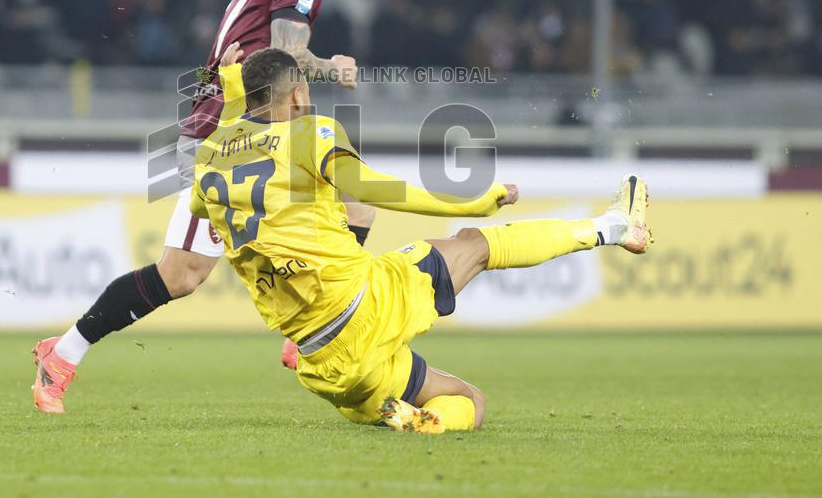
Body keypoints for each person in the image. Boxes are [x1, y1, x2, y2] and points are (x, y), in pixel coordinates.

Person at [32, 0, 376, 413]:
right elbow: (287, 52)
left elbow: (240, 59)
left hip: (252, 126)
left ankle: (314, 332)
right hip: (228, 137)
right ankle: (63, 354)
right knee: (182, 274)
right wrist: (333, 68)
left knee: (352, 202)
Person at [190, 48, 652, 432]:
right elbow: (381, 190)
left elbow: (202, 202)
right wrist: (474, 201)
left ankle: (420, 420)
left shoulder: (209, 159)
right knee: (474, 242)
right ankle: (614, 227)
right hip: (365, 305)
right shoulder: (310, 132)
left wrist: (229, 92)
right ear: (298, 94)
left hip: (323, 363)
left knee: (468, 400)